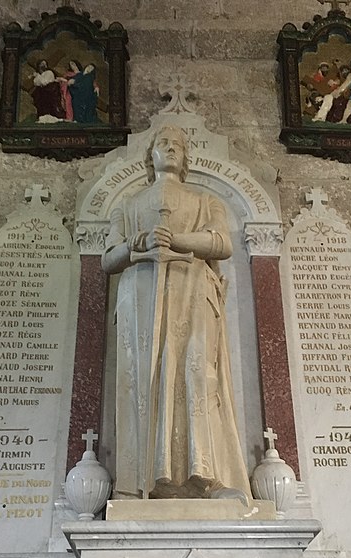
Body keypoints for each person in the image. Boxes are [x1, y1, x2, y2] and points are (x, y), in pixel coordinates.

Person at [103, 125, 251, 504]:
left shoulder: (205, 200)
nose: (170, 149)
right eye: (162, 144)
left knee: (197, 374)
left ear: (187, 158)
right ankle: (139, 482)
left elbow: (222, 243)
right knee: (145, 378)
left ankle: (204, 477)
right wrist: (139, 244)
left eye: (177, 146)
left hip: (192, 290)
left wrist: (179, 240)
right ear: (150, 156)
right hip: (142, 294)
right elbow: (108, 259)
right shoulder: (129, 205)